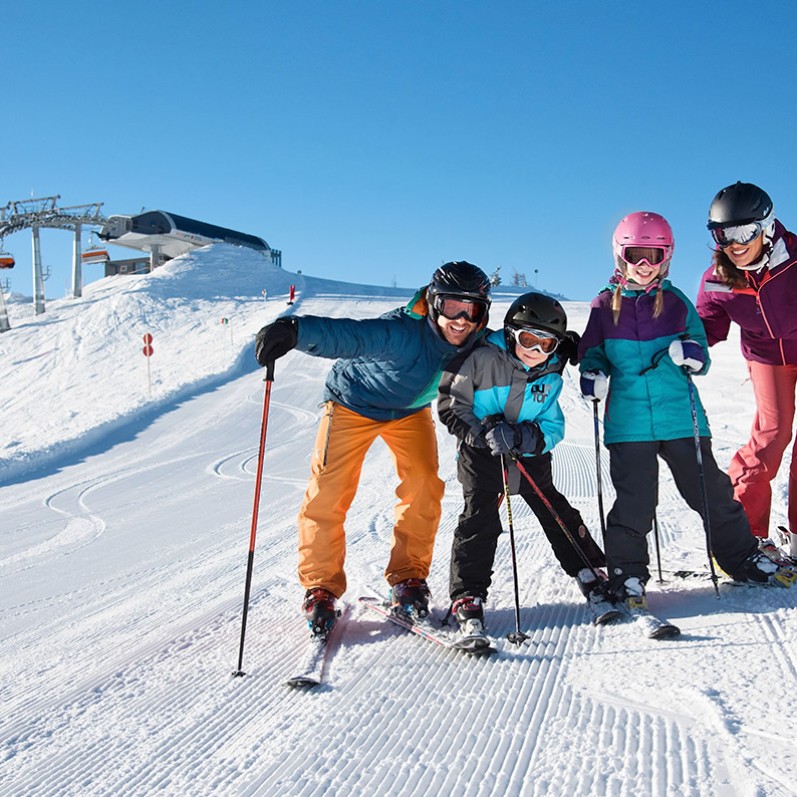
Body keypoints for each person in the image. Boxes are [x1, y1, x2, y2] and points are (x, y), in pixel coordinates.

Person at [254, 261, 492, 636]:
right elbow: (348, 336)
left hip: (409, 412)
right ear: (432, 303)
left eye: (472, 309)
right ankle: (321, 587)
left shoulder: (479, 341)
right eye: (451, 307)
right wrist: (295, 330)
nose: (461, 319)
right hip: (352, 403)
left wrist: (560, 348)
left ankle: (408, 578)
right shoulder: (400, 331)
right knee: (329, 489)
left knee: (425, 484)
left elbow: (517, 350)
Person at [578, 211, 794, 607]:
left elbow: (700, 347)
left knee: (710, 492)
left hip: (682, 417)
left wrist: (692, 354)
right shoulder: (602, 306)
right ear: (619, 255)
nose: (644, 266)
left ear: (668, 257)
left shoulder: (676, 303)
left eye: (654, 256)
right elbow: (591, 353)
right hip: (629, 425)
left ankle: (741, 556)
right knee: (635, 501)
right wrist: (592, 375)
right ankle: (627, 572)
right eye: (635, 256)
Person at [437, 292, 607, 636]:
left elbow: (554, 425)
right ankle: (468, 593)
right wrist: (481, 432)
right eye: (529, 340)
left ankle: (588, 569)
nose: (536, 351)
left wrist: (524, 437)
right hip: (481, 452)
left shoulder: (551, 373)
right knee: (480, 517)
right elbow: (451, 404)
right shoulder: (481, 357)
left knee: (554, 509)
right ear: (512, 332)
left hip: (528, 452)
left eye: (547, 345)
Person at [697, 182, 797, 559]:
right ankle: (746, 536)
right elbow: (705, 329)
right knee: (771, 435)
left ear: (767, 227)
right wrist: (680, 351)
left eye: (744, 232)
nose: (734, 244)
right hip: (766, 356)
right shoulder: (717, 280)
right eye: (723, 234)